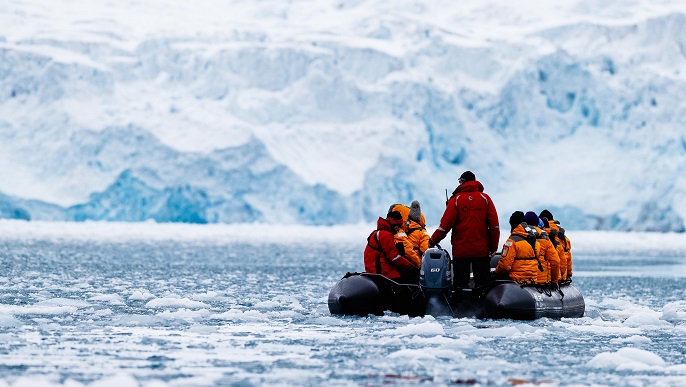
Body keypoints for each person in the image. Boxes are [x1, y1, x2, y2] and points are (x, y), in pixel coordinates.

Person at [429, 171, 500, 289]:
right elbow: (495, 226)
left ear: (462, 182)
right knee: (483, 285)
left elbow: (444, 227)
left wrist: (432, 241)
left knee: (460, 285)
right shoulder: (485, 198)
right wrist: (493, 247)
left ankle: (462, 306)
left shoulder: (455, 200)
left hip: (461, 252)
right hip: (481, 251)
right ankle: (482, 306)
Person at [364, 210, 420, 283]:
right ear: (393, 224)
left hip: (373, 269)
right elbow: (394, 258)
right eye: (398, 226)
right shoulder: (385, 235)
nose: (398, 229)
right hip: (381, 271)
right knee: (413, 277)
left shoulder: (378, 233)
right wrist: (412, 267)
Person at [495, 211, 540, 284]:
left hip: (515, 280)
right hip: (533, 280)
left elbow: (504, 266)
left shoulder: (512, 242)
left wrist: (496, 271)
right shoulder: (536, 241)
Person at [524, 211, 560, 285]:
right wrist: (555, 282)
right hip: (541, 280)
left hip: (520, 280)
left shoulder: (517, 238)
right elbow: (555, 261)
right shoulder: (545, 239)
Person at [539, 209, 573, 282]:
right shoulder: (564, 238)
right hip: (562, 275)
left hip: (547, 276)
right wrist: (568, 274)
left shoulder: (543, 236)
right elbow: (568, 259)